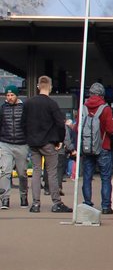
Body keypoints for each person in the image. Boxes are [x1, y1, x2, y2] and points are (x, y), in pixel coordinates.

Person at [24, 75, 67, 213]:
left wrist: (28, 138)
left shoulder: (28, 103)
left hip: (33, 143)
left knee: (36, 172)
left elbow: (22, 123)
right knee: (52, 172)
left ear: (38, 87)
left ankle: (35, 204)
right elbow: (61, 123)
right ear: (50, 87)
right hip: (49, 143)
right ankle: (56, 203)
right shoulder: (52, 104)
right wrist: (60, 140)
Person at [80, 82, 113, 215]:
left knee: (87, 177)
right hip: (103, 147)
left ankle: (88, 203)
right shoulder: (106, 109)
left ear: (90, 94)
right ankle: (106, 206)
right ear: (102, 95)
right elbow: (110, 129)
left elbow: (79, 126)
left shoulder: (83, 107)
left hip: (87, 148)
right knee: (105, 178)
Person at [1, 85, 29, 209]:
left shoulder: (25, 108)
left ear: (17, 95)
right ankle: (5, 199)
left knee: (22, 173)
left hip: (21, 144)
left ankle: (23, 196)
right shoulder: (2, 108)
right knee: (5, 171)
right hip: (5, 143)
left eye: (12, 95)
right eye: (7, 95)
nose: (9, 97)